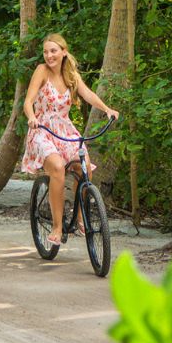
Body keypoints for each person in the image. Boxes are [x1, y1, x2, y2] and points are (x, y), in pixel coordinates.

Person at [21, 33, 119, 247]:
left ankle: (80, 215)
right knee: (57, 167)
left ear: (63, 52)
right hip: (42, 129)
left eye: (53, 51)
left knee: (84, 168)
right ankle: (57, 227)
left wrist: (107, 109)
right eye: (46, 51)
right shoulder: (42, 71)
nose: (49, 55)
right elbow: (28, 102)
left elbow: (88, 94)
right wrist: (31, 118)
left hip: (64, 129)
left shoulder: (70, 75)